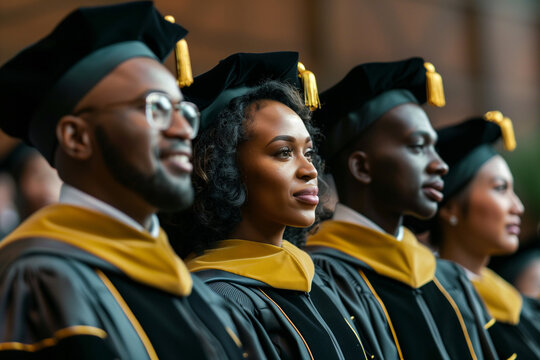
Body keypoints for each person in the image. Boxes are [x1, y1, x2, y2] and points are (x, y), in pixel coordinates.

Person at [0, 2, 265, 359]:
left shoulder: (195, 290)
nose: (181, 130)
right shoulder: (37, 280)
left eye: (183, 112)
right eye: (154, 107)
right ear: (77, 138)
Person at [174, 51, 370, 359]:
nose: (310, 170)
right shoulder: (216, 297)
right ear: (222, 167)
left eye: (308, 151)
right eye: (283, 152)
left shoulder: (317, 281)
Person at [305, 58, 497, 360]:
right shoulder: (322, 279)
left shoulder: (448, 277)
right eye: (419, 146)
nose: (441, 165)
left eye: (434, 147)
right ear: (361, 167)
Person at [422, 113, 540, 359]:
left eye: (512, 190)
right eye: (500, 189)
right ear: (450, 208)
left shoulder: (518, 306)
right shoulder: (428, 300)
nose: (517, 207)